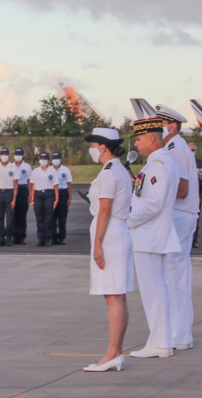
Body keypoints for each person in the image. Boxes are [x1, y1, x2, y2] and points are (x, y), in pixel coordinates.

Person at [127, 118, 181, 359]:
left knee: (153, 291)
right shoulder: (158, 162)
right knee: (157, 290)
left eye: (138, 139)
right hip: (151, 234)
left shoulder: (158, 163)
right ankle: (161, 340)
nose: (136, 144)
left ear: (151, 139)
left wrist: (127, 219)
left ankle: (159, 342)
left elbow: (153, 203)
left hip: (149, 235)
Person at [82, 127, 134, 372]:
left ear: (102, 146)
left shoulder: (109, 172)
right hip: (117, 231)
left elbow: (104, 210)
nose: (91, 149)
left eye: (92, 145)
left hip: (110, 233)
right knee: (117, 296)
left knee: (113, 297)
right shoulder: (118, 169)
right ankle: (116, 351)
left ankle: (112, 353)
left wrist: (98, 244)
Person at [157, 104, 200, 351]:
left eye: (161, 124)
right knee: (178, 274)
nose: (159, 129)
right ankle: (181, 333)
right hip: (183, 215)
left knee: (174, 275)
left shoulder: (175, 150)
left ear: (172, 125)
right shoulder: (176, 148)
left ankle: (178, 335)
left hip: (179, 215)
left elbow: (181, 191)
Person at [30, 152, 59, 247]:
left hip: (49, 194)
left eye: (45, 159)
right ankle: (40, 238)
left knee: (48, 217)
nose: (43, 161)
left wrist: (56, 199)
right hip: (38, 194)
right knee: (39, 217)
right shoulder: (35, 171)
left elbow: (55, 186)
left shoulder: (52, 171)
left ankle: (48, 238)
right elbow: (33, 185)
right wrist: (32, 198)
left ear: (48, 160)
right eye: (41, 159)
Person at [0, 148, 17, 246]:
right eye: (3, 154)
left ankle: (9, 237)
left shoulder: (13, 168)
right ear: (0, 155)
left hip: (9, 192)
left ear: (9, 156)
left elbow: (15, 185)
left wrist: (14, 199)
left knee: (10, 217)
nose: (4, 156)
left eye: (6, 154)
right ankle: (1, 237)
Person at [188, 143, 202, 248]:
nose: (192, 152)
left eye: (193, 150)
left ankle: (194, 240)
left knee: (195, 219)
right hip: (185, 196)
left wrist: (201, 196)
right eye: (190, 150)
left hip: (196, 197)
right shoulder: (182, 163)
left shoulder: (201, 164)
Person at [51, 152, 73, 245]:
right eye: (54, 158)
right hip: (52, 193)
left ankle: (61, 237)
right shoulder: (49, 170)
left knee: (62, 217)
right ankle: (52, 237)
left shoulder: (66, 170)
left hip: (63, 193)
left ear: (60, 159)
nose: (56, 160)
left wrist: (70, 197)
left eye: (57, 158)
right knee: (52, 217)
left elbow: (69, 184)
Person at [12, 148, 31, 244]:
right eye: (16, 154)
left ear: (23, 156)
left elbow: (29, 181)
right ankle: (14, 235)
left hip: (23, 189)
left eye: (19, 154)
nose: (18, 156)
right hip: (13, 190)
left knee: (22, 214)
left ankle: (21, 236)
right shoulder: (11, 166)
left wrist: (30, 194)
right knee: (12, 214)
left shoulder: (27, 167)